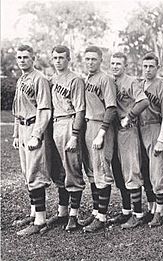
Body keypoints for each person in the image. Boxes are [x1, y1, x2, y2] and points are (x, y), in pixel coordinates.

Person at [12, 45, 52, 236]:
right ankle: (34, 212)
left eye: (26, 57)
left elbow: (44, 109)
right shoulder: (21, 79)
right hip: (22, 127)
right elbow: (17, 108)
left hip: (35, 127)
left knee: (35, 174)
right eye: (19, 57)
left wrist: (37, 135)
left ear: (33, 58)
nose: (22, 60)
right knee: (27, 173)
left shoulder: (40, 79)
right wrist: (16, 134)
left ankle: (41, 220)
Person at [45, 45, 86, 232]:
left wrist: (75, 135)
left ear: (69, 59)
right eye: (55, 58)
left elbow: (80, 110)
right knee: (59, 171)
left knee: (73, 170)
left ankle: (73, 216)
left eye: (62, 57)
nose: (58, 61)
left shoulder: (75, 79)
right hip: (55, 124)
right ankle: (62, 213)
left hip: (69, 122)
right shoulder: (51, 79)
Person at [78, 46, 117, 232]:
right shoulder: (87, 79)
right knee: (92, 172)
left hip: (101, 126)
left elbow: (111, 108)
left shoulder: (106, 79)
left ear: (101, 60)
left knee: (102, 171)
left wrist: (101, 132)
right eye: (87, 59)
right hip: (88, 125)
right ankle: (95, 212)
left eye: (94, 59)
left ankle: (102, 216)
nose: (90, 62)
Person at [111, 52, 150, 229]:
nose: (115, 66)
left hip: (128, 130)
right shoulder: (111, 81)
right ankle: (126, 211)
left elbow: (144, 101)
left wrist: (130, 116)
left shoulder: (131, 81)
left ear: (125, 66)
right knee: (118, 171)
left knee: (131, 171)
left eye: (118, 64)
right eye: (112, 63)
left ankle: (138, 214)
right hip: (115, 130)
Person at [138, 52, 163, 227]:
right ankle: (151, 208)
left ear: (157, 68)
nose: (147, 69)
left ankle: (160, 212)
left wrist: (161, 139)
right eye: (145, 66)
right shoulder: (139, 85)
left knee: (157, 171)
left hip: (155, 127)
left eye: (151, 66)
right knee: (144, 170)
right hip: (139, 129)